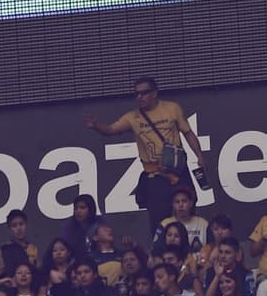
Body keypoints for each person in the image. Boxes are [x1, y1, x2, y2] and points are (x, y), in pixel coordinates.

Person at [82, 77, 207, 235]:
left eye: (144, 93)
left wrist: (200, 156)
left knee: (188, 212)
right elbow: (112, 129)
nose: (139, 97)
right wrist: (96, 126)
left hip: (178, 170)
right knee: (158, 218)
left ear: (154, 93)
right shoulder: (132, 117)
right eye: (136, 94)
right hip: (155, 175)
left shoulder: (172, 108)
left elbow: (188, 133)